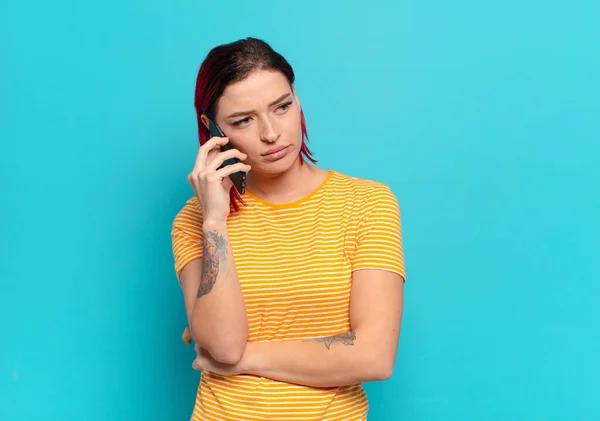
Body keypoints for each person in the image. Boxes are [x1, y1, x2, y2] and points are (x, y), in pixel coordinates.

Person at [171, 37, 406, 421]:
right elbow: (224, 345)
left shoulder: (367, 204)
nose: (271, 133)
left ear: (296, 97)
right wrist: (214, 219)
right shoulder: (193, 220)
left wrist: (242, 360)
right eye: (243, 120)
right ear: (211, 127)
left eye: (282, 107)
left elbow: (374, 356)